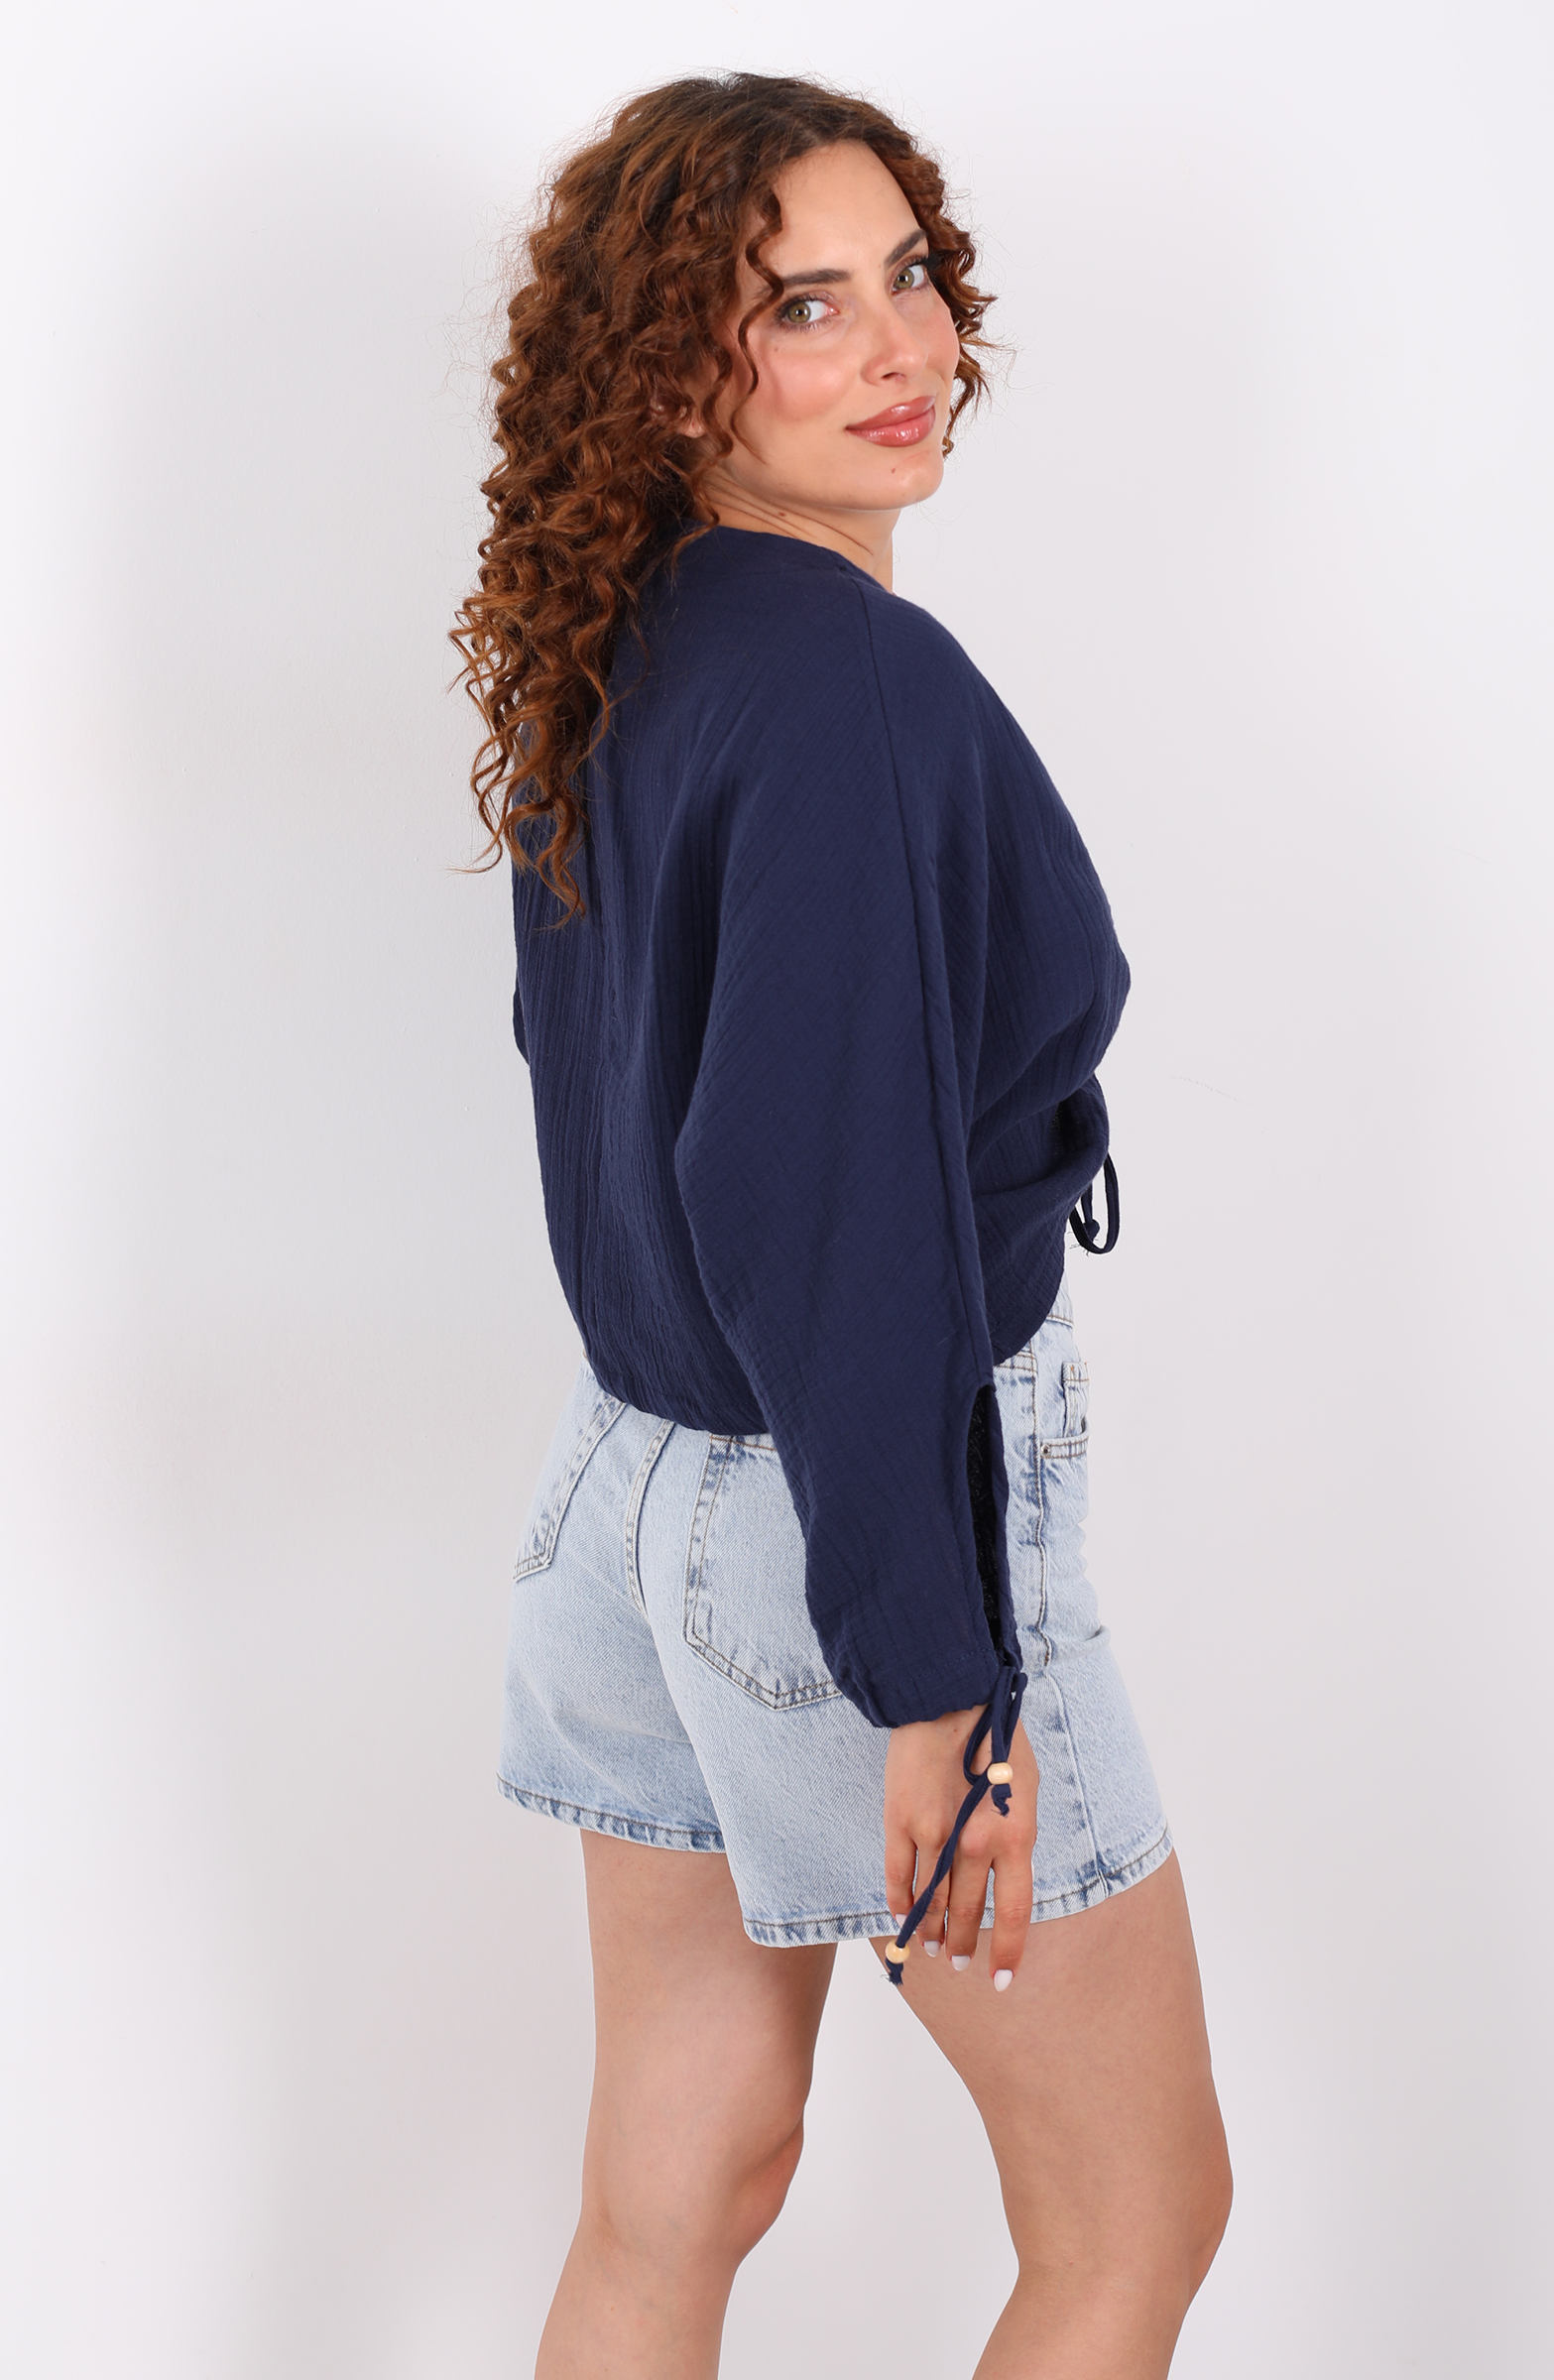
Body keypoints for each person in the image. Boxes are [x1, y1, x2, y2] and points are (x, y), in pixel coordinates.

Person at [451, 69, 1233, 2380]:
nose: (897, 347)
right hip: (843, 1516)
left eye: (906, 276)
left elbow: (624, 1113)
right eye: (802, 304)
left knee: (672, 2187)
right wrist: (929, 1665)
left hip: (629, 1495)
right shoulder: (846, 686)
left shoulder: (635, 641)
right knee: (1134, 2213)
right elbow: (814, 1199)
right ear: (668, 369)